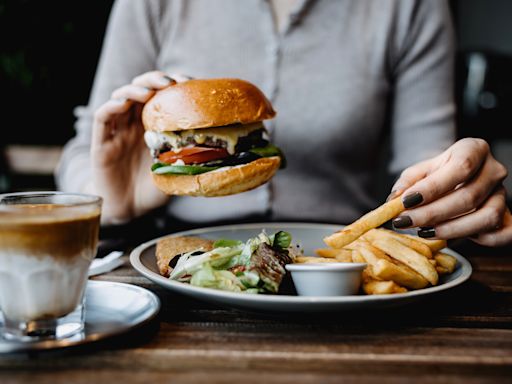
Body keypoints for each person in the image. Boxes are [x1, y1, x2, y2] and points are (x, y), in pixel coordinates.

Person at [56, 0, 511, 246]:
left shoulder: (409, 7)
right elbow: (82, 151)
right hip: (182, 259)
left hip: (335, 258)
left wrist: (459, 186)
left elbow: (430, 170)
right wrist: (108, 199)